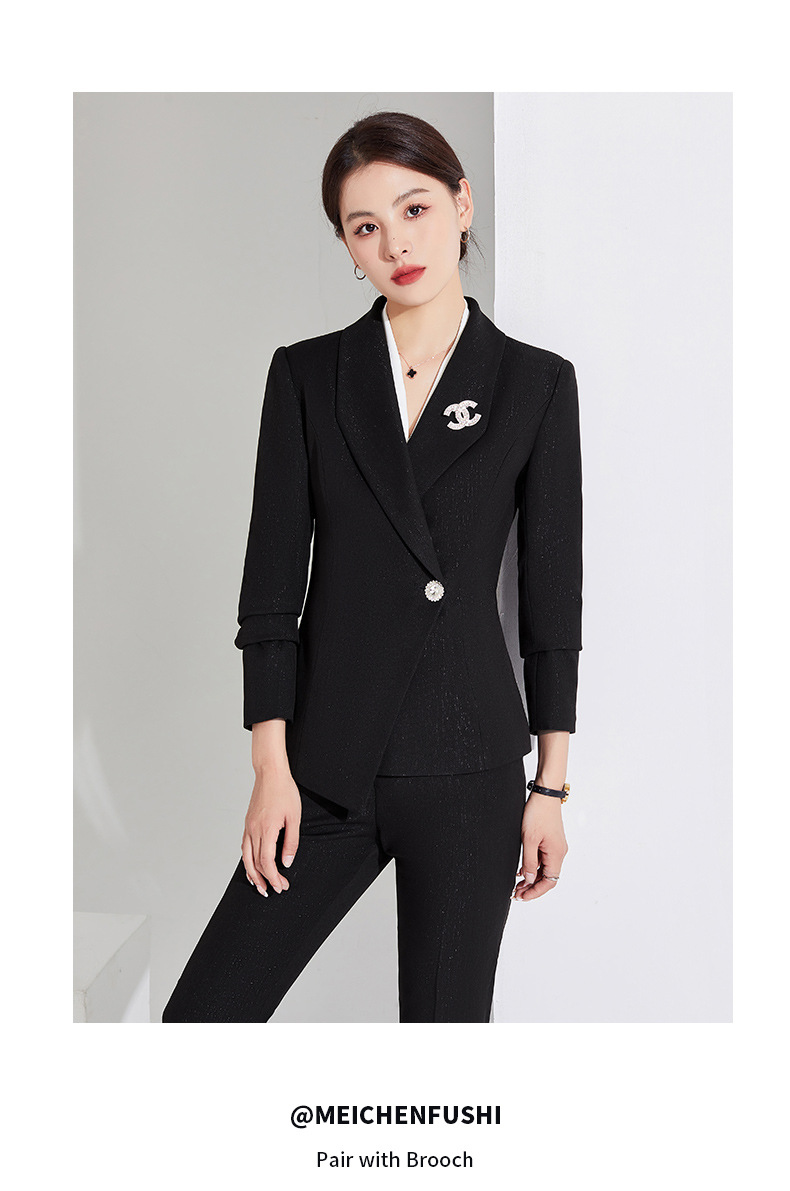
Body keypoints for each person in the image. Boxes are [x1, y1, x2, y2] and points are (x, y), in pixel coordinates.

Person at [162, 110, 583, 1024]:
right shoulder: (308, 377)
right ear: (349, 247)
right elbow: (270, 593)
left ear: (462, 204)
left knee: (441, 1049)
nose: (396, 244)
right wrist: (270, 767)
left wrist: (549, 786)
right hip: (326, 767)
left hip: (469, 766)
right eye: (365, 227)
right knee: (201, 1020)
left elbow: (552, 604)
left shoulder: (535, 383)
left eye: (415, 209)